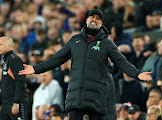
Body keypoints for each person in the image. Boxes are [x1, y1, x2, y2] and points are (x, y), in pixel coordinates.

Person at [19, 9, 152, 120]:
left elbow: (121, 62)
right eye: (92, 16)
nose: (94, 19)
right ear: (87, 20)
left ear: (101, 23)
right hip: (76, 96)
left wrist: (137, 73)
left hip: (97, 96)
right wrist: (35, 69)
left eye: (98, 18)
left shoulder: (106, 43)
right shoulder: (74, 41)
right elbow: (56, 59)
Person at [0, 36, 28, 120]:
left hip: (15, 103)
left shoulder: (14, 60)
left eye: (1, 44)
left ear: (9, 46)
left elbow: (21, 81)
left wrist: (16, 102)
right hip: (6, 104)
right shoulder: (6, 61)